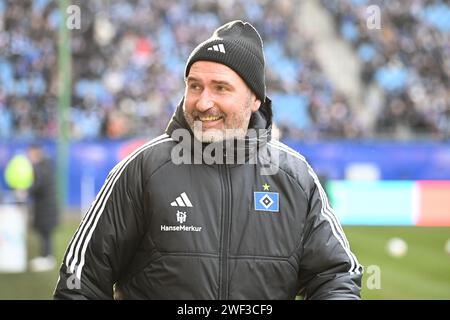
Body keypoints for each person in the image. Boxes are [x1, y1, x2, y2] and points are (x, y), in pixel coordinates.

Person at [54, 20, 363, 299]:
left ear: (254, 99)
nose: (203, 102)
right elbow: (80, 280)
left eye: (221, 88)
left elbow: (337, 274)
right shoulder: (142, 168)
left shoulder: (295, 177)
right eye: (195, 86)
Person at [27, 143, 59, 272]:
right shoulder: (45, 165)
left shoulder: (43, 166)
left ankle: (47, 258)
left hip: (46, 205)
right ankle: (45, 256)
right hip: (44, 204)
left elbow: (39, 186)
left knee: (46, 231)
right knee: (44, 232)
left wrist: (27, 191)